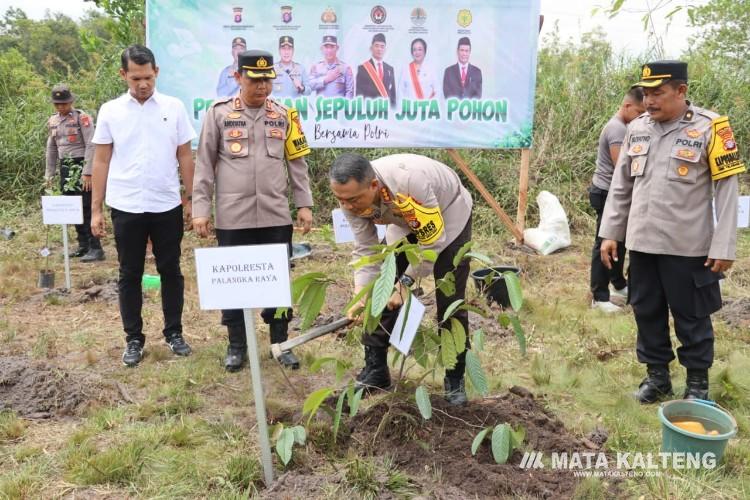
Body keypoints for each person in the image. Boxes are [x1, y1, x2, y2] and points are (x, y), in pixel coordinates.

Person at [600, 60, 745, 403]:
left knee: (691, 317)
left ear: (681, 91)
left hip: (688, 246)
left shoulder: (712, 128)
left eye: (658, 93)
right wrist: (610, 233)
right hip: (643, 243)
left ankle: (697, 385)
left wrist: (724, 245)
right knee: (646, 311)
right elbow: (621, 187)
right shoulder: (637, 128)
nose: (649, 100)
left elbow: (728, 191)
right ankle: (657, 377)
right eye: (646, 93)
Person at [192, 49, 314, 372]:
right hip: (234, 216)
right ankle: (237, 345)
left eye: (267, 80)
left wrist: (304, 204)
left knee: (279, 282)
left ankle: (280, 344)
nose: (262, 87)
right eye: (254, 80)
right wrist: (200, 209)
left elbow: (297, 164)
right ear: (238, 77)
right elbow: (204, 164)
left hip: (275, 215)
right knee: (233, 282)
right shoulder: (218, 114)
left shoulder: (285, 114)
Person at [329, 153, 473, 406]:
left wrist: (404, 285)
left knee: (450, 300)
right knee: (380, 288)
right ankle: (376, 371)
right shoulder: (348, 199)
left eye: (352, 199)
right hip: (403, 222)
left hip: (448, 218)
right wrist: (360, 295)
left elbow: (432, 241)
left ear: (373, 186)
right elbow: (366, 249)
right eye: (341, 200)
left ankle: (454, 376)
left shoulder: (411, 181)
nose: (347, 206)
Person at [91, 45, 197, 367]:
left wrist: (191, 199)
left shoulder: (174, 107)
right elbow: (102, 159)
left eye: (148, 77)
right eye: (136, 77)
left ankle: (174, 333)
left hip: (166, 203)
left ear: (157, 73)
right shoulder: (110, 110)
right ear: (123, 75)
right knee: (130, 273)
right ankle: (133, 339)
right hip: (126, 205)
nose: (143, 84)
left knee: (171, 270)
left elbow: (185, 155)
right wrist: (95, 209)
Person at [589, 87, 645, 312]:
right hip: (606, 194)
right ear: (628, 106)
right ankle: (599, 297)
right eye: (640, 113)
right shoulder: (618, 129)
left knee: (619, 243)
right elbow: (623, 166)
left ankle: (619, 284)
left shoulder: (624, 126)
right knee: (604, 242)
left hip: (610, 193)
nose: (643, 118)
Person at [45, 84, 104, 262]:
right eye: (57, 104)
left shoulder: (82, 118)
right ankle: (83, 245)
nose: (61, 107)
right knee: (72, 207)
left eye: (64, 103)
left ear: (71, 101)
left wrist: (87, 172)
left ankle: (96, 248)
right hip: (66, 166)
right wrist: (49, 173)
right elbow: (52, 147)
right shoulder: (53, 121)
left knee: (86, 207)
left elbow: (92, 144)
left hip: (81, 165)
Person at [355, 33, 396, 107]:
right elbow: (359, 94)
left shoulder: (390, 69)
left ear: (385, 49)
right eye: (376, 46)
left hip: (386, 112)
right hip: (369, 112)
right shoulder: (363, 68)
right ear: (371, 48)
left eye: (382, 46)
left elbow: (393, 95)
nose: (379, 49)